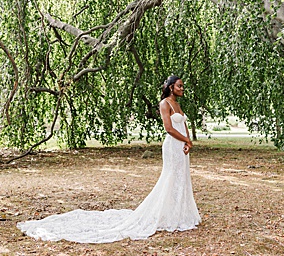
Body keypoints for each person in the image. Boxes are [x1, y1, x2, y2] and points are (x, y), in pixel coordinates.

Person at [19, 75, 201, 241]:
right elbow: (169, 128)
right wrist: (185, 139)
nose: (182, 89)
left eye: (182, 86)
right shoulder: (165, 104)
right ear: (170, 87)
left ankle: (178, 214)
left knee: (181, 178)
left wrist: (188, 142)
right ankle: (166, 214)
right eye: (179, 86)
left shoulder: (178, 105)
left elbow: (182, 125)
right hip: (172, 146)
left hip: (182, 146)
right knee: (170, 178)